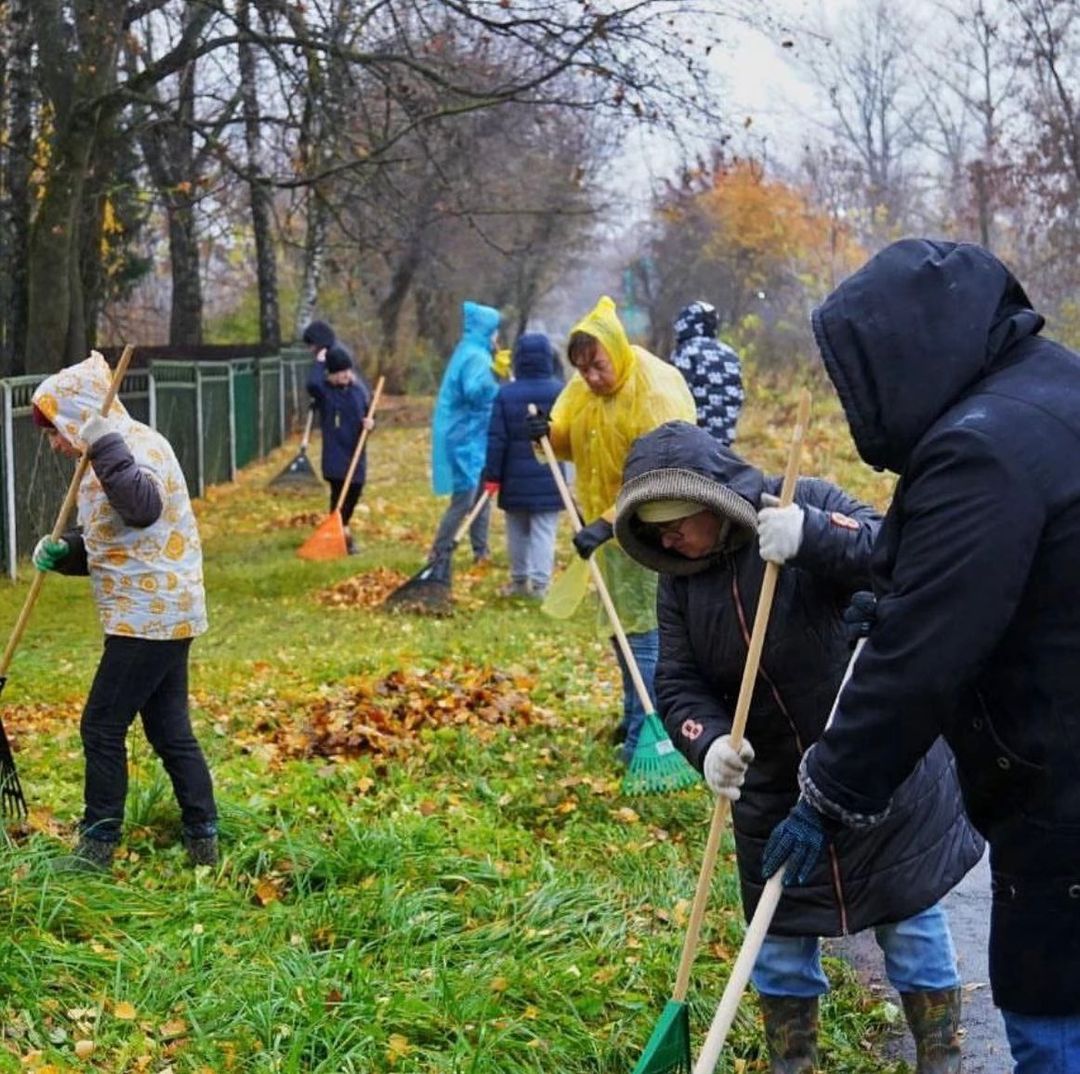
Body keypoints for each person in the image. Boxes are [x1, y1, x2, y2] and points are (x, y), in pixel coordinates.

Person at [761, 239, 1080, 1073]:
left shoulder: (980, 445)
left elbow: (920, 656)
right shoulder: (1053, 386)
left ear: (898, 358)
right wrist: (897, 581)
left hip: (1064, 778)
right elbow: (998, 563)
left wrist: (828, 793)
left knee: (1055, 1012)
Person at [613, 419, 982, 1073]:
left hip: (870, 763)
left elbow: (897, 555)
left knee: (908, 921)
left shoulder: (802, 500)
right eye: (653, 528)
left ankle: (941, 1059)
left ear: (712, 500)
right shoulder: (681, 582)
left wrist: (814, 538)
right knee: (778, 949)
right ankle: (793, 1065)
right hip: (773, 790)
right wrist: (708, 744)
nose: (665, 537)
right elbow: (675, 683)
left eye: (674, 520)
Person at [29, 352, 218, 872]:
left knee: (100, 726)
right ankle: (203, 834)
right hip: (151, 611)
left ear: (79, 417)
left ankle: (96, 846)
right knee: (168, 729)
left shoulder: (134, 447)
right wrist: (65, 551)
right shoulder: (97, 464)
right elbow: (115, 545)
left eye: (55, 430)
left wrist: (104, 441)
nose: (53, 443)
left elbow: (142, 509)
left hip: (150, 616)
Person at [525, 296, 696, 760]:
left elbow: (659, 475)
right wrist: (547, 432)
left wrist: (605, 524)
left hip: (654, 529)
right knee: (622, 631)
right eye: (582, 370)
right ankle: (632, 714)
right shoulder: (586, 390)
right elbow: (568, 433)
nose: (591, 378)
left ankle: (651, 733)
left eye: (597, 366)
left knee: (644, 633)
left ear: (616, 351)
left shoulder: (653, 392)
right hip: (610, 529)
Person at [482, 332, 565, 598]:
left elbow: (496, 439)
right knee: (544, 530)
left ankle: (519, 581)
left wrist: (492, 475)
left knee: (517, 529)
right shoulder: (559, 392)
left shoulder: (505, 395)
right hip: (549, 477)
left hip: (514, 478)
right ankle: (540, 585)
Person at [428, 301, 503, 579]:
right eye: (495, 331)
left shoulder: (472, 351)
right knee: (465, 498)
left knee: (483, 495)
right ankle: (439, 553)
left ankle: (481, 551)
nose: (497, 337)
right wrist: (496, 377)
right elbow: (475, 392)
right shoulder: (476, 357)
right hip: (465, 438)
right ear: (486, 331)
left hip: (475, 436)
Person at [306, 341, 374, 555]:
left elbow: (370, 412)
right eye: (340, 372)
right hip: (336, 455)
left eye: (347, 370)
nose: (345, 375)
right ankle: (341, 536)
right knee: (339, 496)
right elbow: (312, 383)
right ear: (331, 374)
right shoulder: (325, 393)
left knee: (356, 489)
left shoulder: (358, 390)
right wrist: (319, 362)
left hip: (356, 452)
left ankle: (339, 530)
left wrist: (370, 424)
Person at [669, 300, 744, 445]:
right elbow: (739, 395)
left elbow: (676, 395)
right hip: (724, 437)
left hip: (694, 439)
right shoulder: (730, 353)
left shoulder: (684, 352)